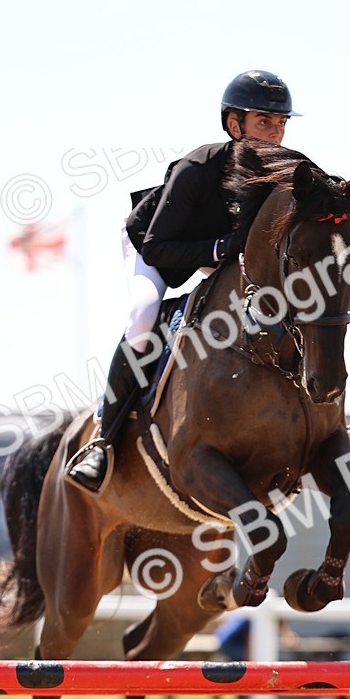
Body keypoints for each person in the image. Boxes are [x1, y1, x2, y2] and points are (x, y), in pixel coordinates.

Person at [67, 70, 299, 493]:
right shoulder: (199, 166)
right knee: (142, 317)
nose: (275, 131)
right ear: (234, 125)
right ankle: (102, 441)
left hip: (223, 254)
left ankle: (325, 435)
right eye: (264, 121)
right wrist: (219, 250)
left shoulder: (285, 170)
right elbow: (157, 247)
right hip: (156, 245)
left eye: (280, 122)